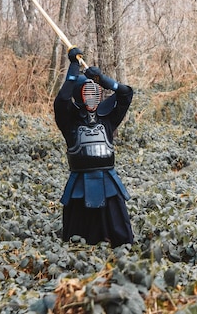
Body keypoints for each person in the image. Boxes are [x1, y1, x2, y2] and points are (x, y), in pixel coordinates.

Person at [53, 46, 134, 247]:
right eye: (86, 91)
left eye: (94, 91)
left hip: (108, 182)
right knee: (78, 240)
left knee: (121, 238)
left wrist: (105, 81)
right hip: (79, 183)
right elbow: (62, 100)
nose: (90, 96)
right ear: (78, 95)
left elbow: (126, 95)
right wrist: (73, 67)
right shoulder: (69, 121)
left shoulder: (108, 119)